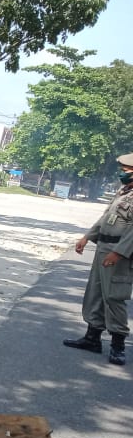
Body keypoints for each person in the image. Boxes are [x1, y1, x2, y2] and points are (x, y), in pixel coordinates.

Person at [62, 153, 133, 366]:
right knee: (95, 292)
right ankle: (92, 337)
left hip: (120, 253)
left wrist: (119, 253)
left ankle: (118, 346)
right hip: (103, 247)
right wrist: (87, 237)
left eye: (126, 170)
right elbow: (105, 218)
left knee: (114, 296)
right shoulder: (123, 192)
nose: (122, 172)